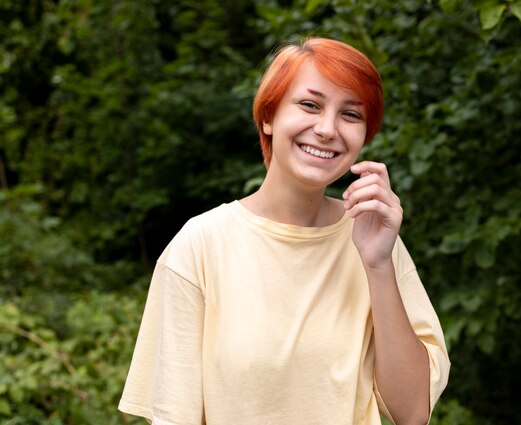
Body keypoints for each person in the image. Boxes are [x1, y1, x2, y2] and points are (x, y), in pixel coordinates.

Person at [118, 36, 450, 425]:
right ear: (268, 116)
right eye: (310, 105)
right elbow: (174, 417)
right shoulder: (200, 245)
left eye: (351, 114)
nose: (327, 129)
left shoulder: (377, 241)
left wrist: (378, 265)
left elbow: (413, 414)